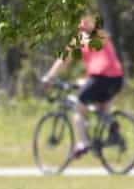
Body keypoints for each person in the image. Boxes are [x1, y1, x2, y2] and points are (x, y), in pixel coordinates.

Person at [41, 15, 125, 158]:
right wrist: (87, 80)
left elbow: (63, 60)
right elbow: (103, 61)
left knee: (79, 108)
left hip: (100, 77)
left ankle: (82, 143)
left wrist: (49, 77)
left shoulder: (82, 39)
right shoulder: (103, 36)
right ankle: (113, 130)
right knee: (101, 109)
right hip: (117, 78)